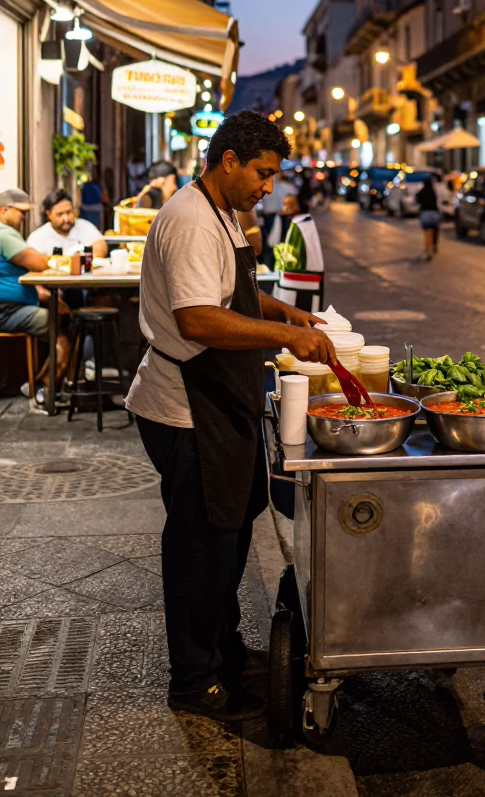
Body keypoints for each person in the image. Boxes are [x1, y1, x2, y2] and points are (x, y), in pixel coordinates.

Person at [125, 110, 337, 724]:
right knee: (199, 548)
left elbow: (234, 289)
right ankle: (194, 680)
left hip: (218, 403)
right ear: (229, 161)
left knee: (229, 537)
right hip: (186, 408)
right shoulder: (192, 221)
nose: (268, 186)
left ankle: (220, 650)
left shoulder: (220, 210)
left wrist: (287, 314)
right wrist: (281, 335)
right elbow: (198, 319)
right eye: (263, 174)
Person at [0, 188, 72, 395]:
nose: (24, 216)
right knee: (59, 324)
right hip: (6, 310)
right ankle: (43, 389)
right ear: (5, 210)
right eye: (21, 211)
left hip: (13, 306)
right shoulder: (4, 234)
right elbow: (38, 262)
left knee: (62, 311)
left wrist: (46, 295)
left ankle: (48, 382)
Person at [28, 189, 108, 259]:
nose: (66, 219)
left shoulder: (84, 226)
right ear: (49, 215)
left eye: (68, 212)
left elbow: (101, 245)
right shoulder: (37, 237)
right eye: (60, 214)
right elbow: (34, 261)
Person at [416, 172, 442, 260]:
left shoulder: (421, 192)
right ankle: (433, 246)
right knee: (434, 230)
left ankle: (428, 249)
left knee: (427, 232)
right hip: (434, 213)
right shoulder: (433, 191)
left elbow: (417, 200)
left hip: (425, 213)